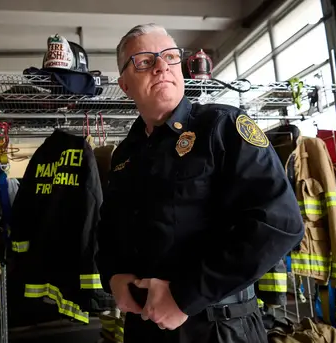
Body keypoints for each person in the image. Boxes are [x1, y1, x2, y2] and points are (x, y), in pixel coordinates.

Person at [95, 23, 305, 343]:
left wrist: (185, 295)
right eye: (145, 60)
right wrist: (113, 274)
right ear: (124, 84)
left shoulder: (223, 127)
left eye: (169, 57)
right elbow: (108, 226)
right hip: (145, 325)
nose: (162, 66)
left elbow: (279, 223)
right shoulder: (126, 153)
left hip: (219, 328)